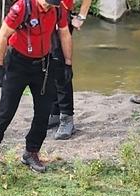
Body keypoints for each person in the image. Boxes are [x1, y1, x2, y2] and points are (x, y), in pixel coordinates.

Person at [0, 0, 73, 173]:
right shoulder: (22, 8)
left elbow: (64, 33)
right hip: (18, 63)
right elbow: (3, 35)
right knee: (6, 110)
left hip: (43, 65)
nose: (50, 5)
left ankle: (31, 152)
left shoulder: (58, 9)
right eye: (48, 2)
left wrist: (68, 64)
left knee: (43, 111)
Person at [46, 0, 92, 140]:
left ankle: (67, 117)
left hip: (61, 14)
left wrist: (81, 16)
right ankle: (55, 111)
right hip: (40, 12)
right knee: (47, 64)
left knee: (60, 64)